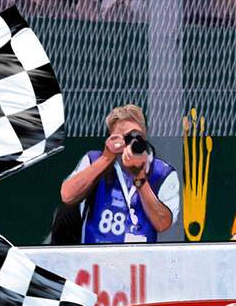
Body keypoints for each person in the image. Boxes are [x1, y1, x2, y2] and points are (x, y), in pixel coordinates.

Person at [56, 103, 180, 243]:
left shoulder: (162, 172)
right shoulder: (93, 160)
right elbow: (67, 195)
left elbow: (163, 223)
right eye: (123, 137)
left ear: (144, 135)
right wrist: (106, 157)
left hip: (140, 255)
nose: (130, 142)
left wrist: (140, 178)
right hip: (96, 252)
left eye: (136, 136)